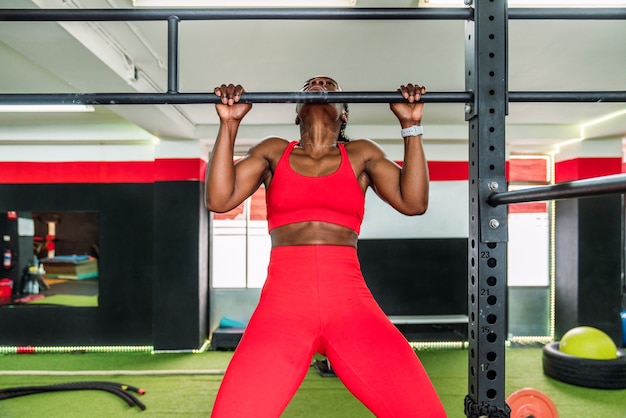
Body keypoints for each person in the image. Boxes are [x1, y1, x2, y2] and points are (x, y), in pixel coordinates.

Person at [206, 76, 447, 417]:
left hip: (350, 306)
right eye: (310, 84)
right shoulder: (273, 151)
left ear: (344, 112)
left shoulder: (362, 153)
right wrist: (228, 125)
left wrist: (411, 126)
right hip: (283, 308)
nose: (319, 85)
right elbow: (218, 199)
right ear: (297, 112)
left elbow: (414, 202)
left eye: (329, 85)